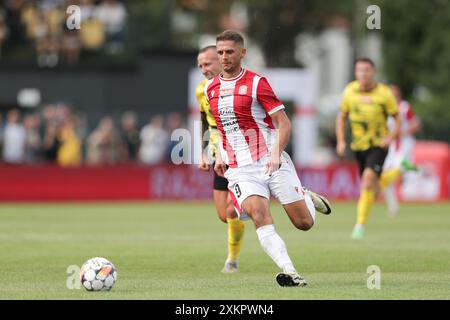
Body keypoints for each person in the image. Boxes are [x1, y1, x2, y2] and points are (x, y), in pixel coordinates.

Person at [205, 30, 331, 287]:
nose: (224, 57)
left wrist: (275, 155)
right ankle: (290, 272)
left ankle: (305, 197)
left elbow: (283, 123)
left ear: (243, 53)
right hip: (240, 169)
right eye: (220, 52)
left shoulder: (256, 83)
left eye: (229, 51)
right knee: (258, 213)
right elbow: (223, 128)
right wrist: (220, 154)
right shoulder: (211, 89)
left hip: (271, 160)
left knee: (303, 223)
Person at [336, 58, 406, 240]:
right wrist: (341, 141)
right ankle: (397, 172)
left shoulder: (384, 93)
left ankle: (359, 226)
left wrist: (390, 138)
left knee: (367, 182)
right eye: (360, 70)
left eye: (367, 70)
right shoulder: (349, 91)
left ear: (374, 72)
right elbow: (342, 117)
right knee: (373, 188)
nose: (363, 74)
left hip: (379, 145)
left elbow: (398, 120)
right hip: (358, 146)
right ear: (355, 73)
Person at [196, 45, 246, 273]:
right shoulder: (202, 90)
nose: (204, 69)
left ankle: (232, 261)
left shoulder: (240, 86)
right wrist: (205, 151)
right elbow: (204, 120)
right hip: (218, 156)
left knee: (230, 211)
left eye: (207, 64)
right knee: (223, 216)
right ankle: (254, 209)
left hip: (241, 154)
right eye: (200, 66)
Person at [382, 85, 421, 216]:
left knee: (399, 170)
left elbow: (416, 124)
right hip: (392, 146)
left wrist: (403, 131)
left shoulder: (404, 107)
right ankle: (393, 205)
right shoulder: (384, 108)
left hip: (404, 144)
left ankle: (413, 170)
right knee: (384, 177)